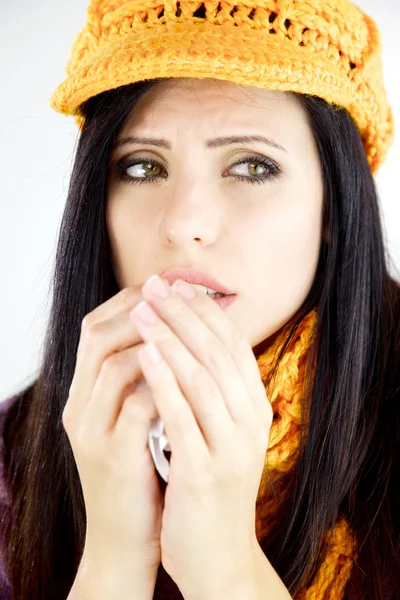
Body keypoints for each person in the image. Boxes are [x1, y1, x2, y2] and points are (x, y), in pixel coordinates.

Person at [0, 0, 399, 598]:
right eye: (141, 168)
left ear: (333, 205)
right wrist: (114, 555)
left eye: (252, 166)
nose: (184, 223)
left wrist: (224, 567)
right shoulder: (11, 461)